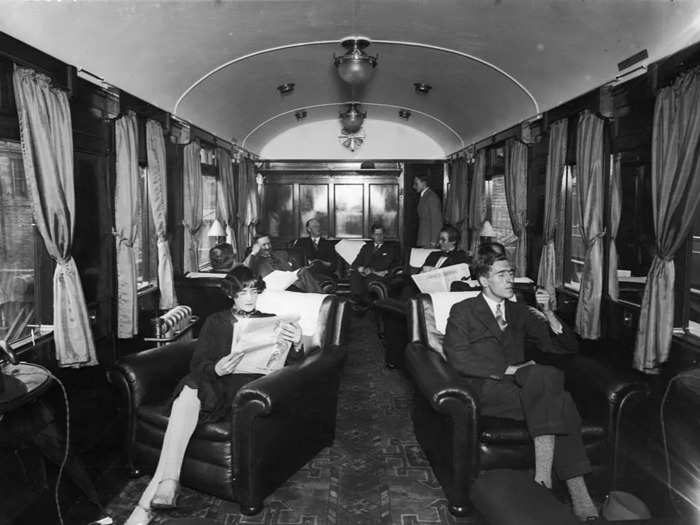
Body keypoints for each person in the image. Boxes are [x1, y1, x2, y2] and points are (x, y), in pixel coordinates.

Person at [125, 266, 307, 525]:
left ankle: (153, 497)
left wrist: (297, 343)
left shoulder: (271, 320)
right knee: (191, 386)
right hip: (213, 384)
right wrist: (217, 367)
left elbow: (291, 363)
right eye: (243, 292)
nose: (249, 298)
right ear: (232, 294)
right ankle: (166, 485)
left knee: (190, 392)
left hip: (245, 390)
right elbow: (198, 366)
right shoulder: (215, 321)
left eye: (254, 291)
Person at [442, 250, 599, 522]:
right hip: (486, 388)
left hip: (524, 387)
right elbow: (458, 357)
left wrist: (549, 313)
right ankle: (579, 497)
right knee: (557, 396)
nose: (509, 279)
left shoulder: (520, 312)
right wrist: (508, 369)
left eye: (511, 273)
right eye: (501, 274)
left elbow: (566, 347)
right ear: (483, 280)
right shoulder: (463, 311)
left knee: (544, 376)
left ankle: (542, 480)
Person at [243, 233, 322, 293]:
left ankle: (321, 298)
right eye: (264, 245)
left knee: (303, 271)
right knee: (303, 272)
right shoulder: (254, 259)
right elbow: (244, 270)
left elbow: (294, 269)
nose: (267, 247)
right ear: (257, 246)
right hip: (272, 286)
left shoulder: (281, 254)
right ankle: (322, 298)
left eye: (269, 243)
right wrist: (253, 252)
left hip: (290, 283)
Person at [350, 223, 401, 307]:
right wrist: (360, 268)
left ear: (384, 235)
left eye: (381, 234)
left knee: (369, 279)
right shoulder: (366, 247)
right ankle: (357, 302)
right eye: (376, 234)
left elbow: (394, 265)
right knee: (354, 275)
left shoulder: (391, 248)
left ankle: (365, 304)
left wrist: (383, 271)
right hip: (365, 273)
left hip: (380, 274)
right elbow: (355, 264)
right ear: (372, 235)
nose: (379, 237)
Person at [413, 174, 442, 248]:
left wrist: (434, 241)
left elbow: (436, 221)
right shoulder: (424, 196)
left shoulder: (431, 197)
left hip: (429, 241)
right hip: (424, 239)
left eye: (416, 183)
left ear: (424, 183)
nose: (414, 186)